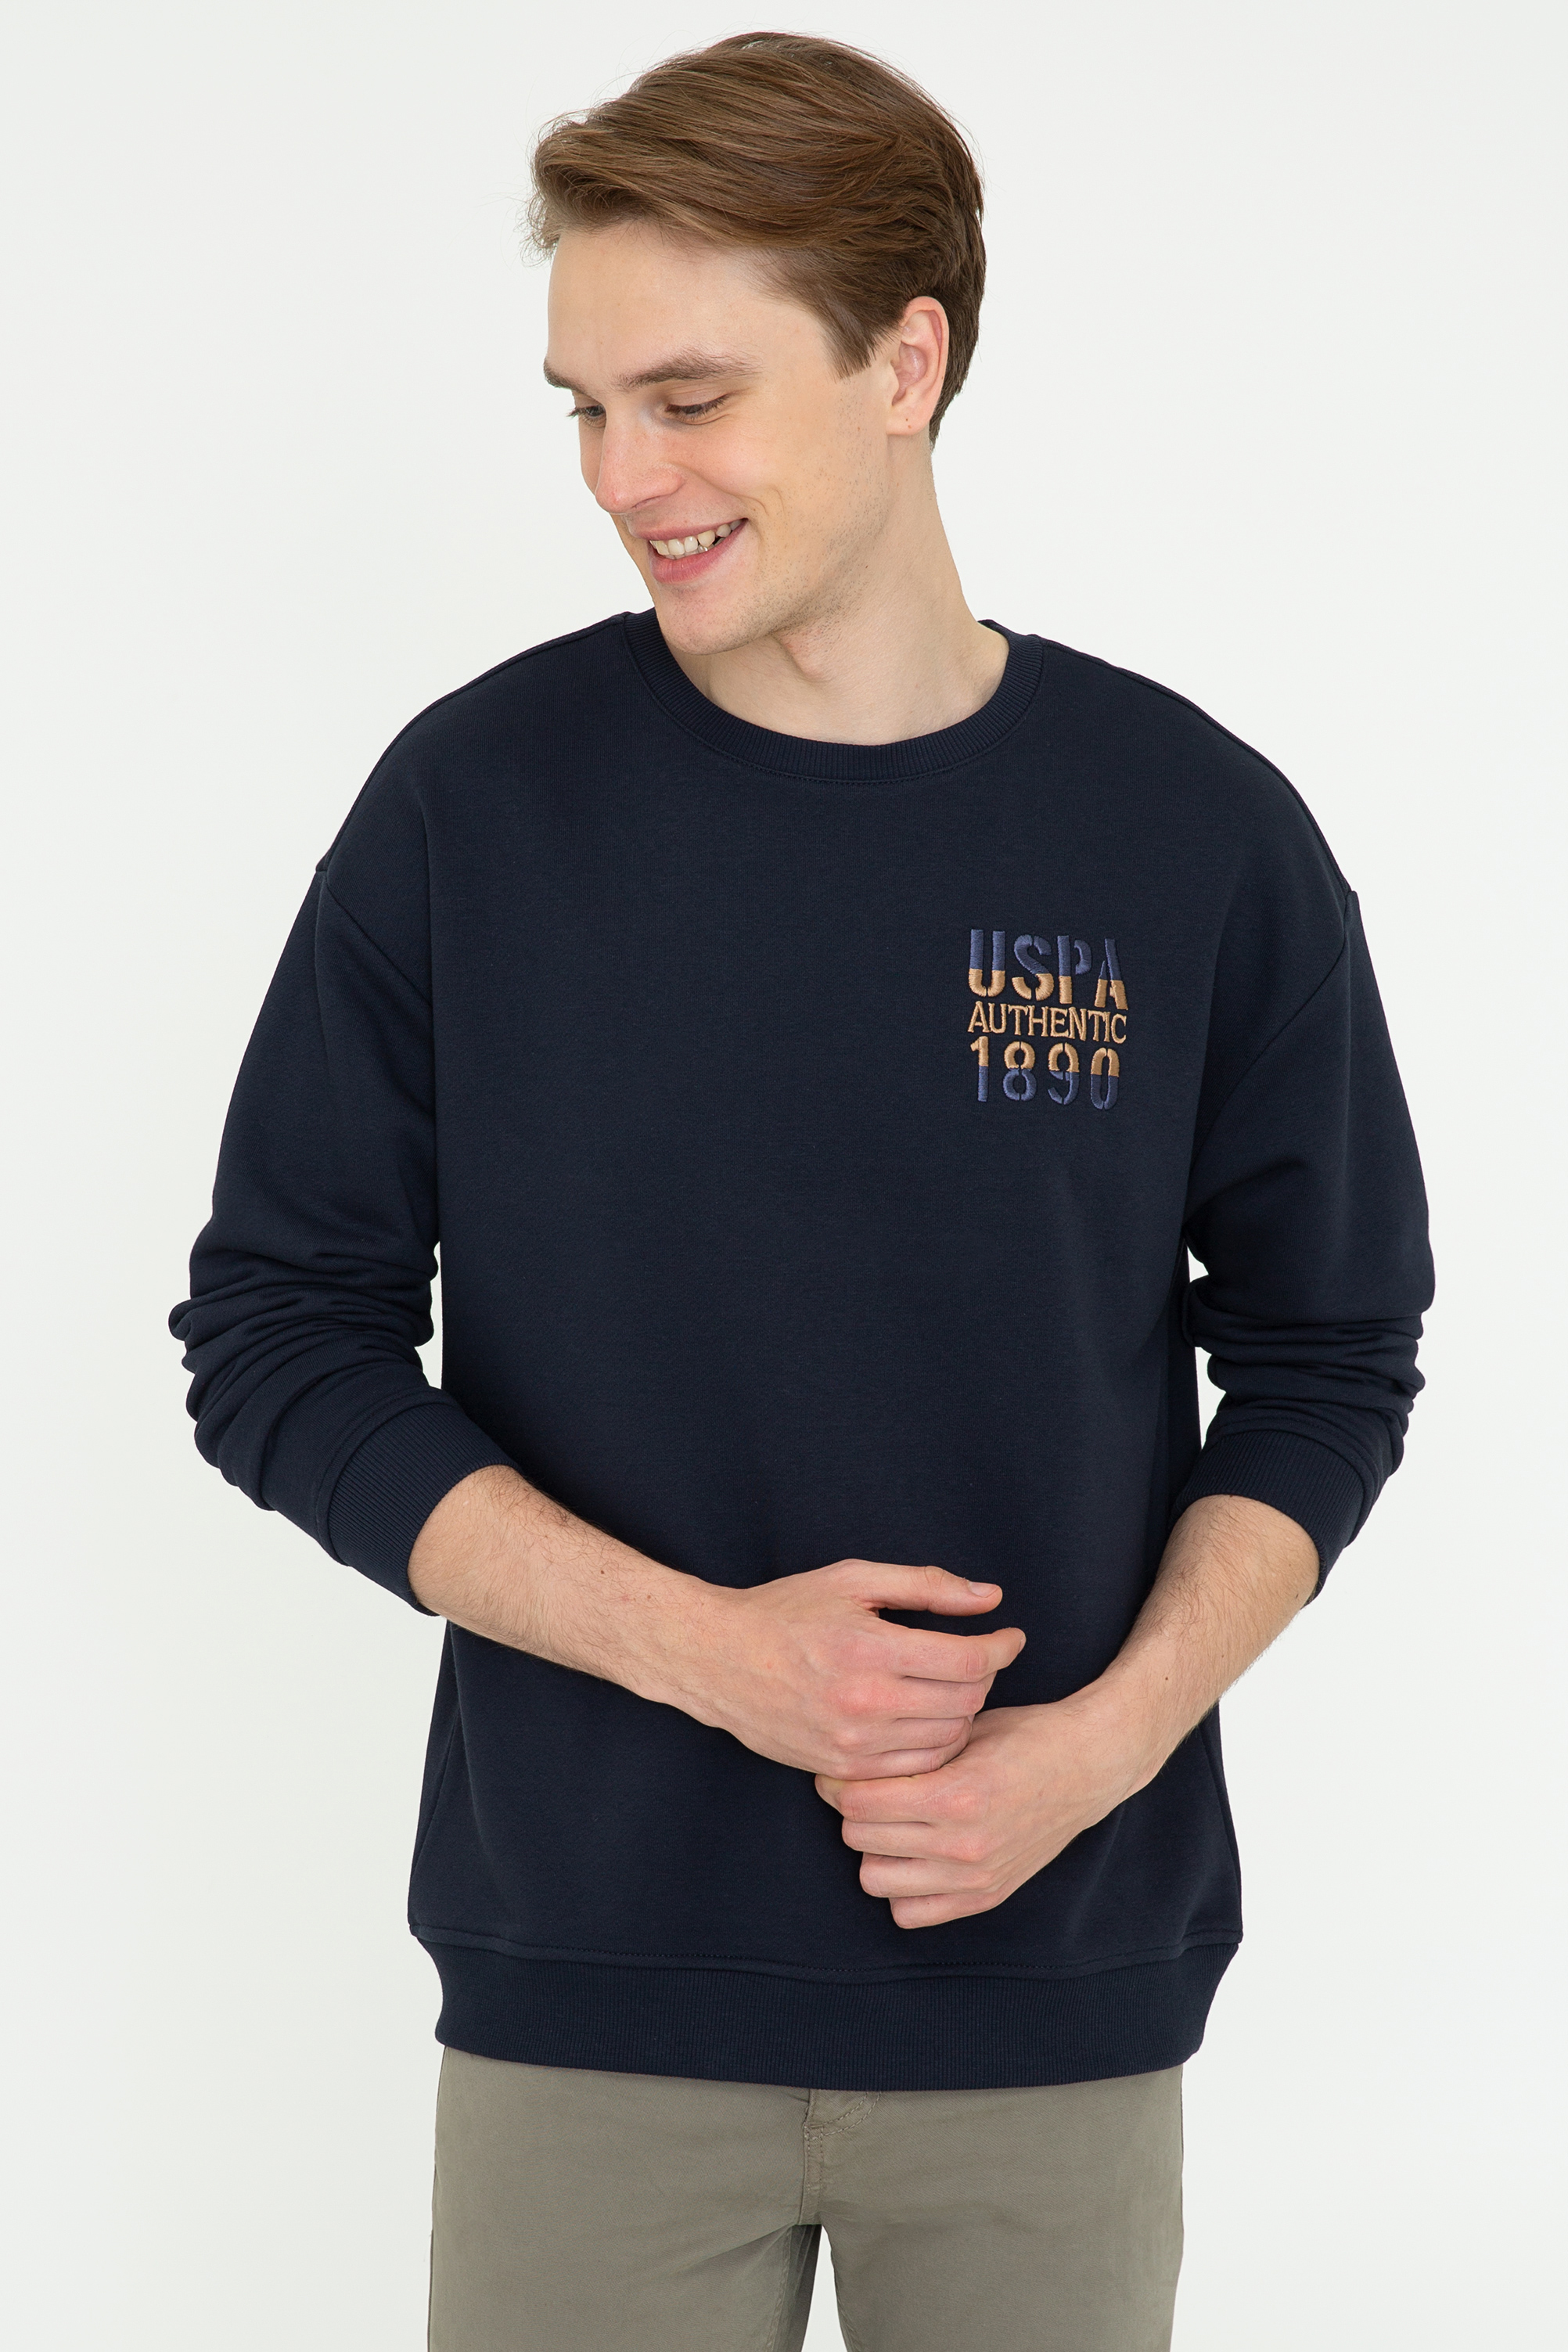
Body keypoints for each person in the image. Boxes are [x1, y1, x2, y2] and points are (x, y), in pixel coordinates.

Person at [169, 31, 1433, 2352]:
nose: (620, 476)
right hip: (587, 1999)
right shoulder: (475, 808)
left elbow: (1330, 1353)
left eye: (688, 398)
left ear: (904, 363)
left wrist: (1099, 1749)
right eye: (583, 408)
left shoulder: (1192, 833)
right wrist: (712, 1656)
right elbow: (275, 1339)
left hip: (1047, 1976)